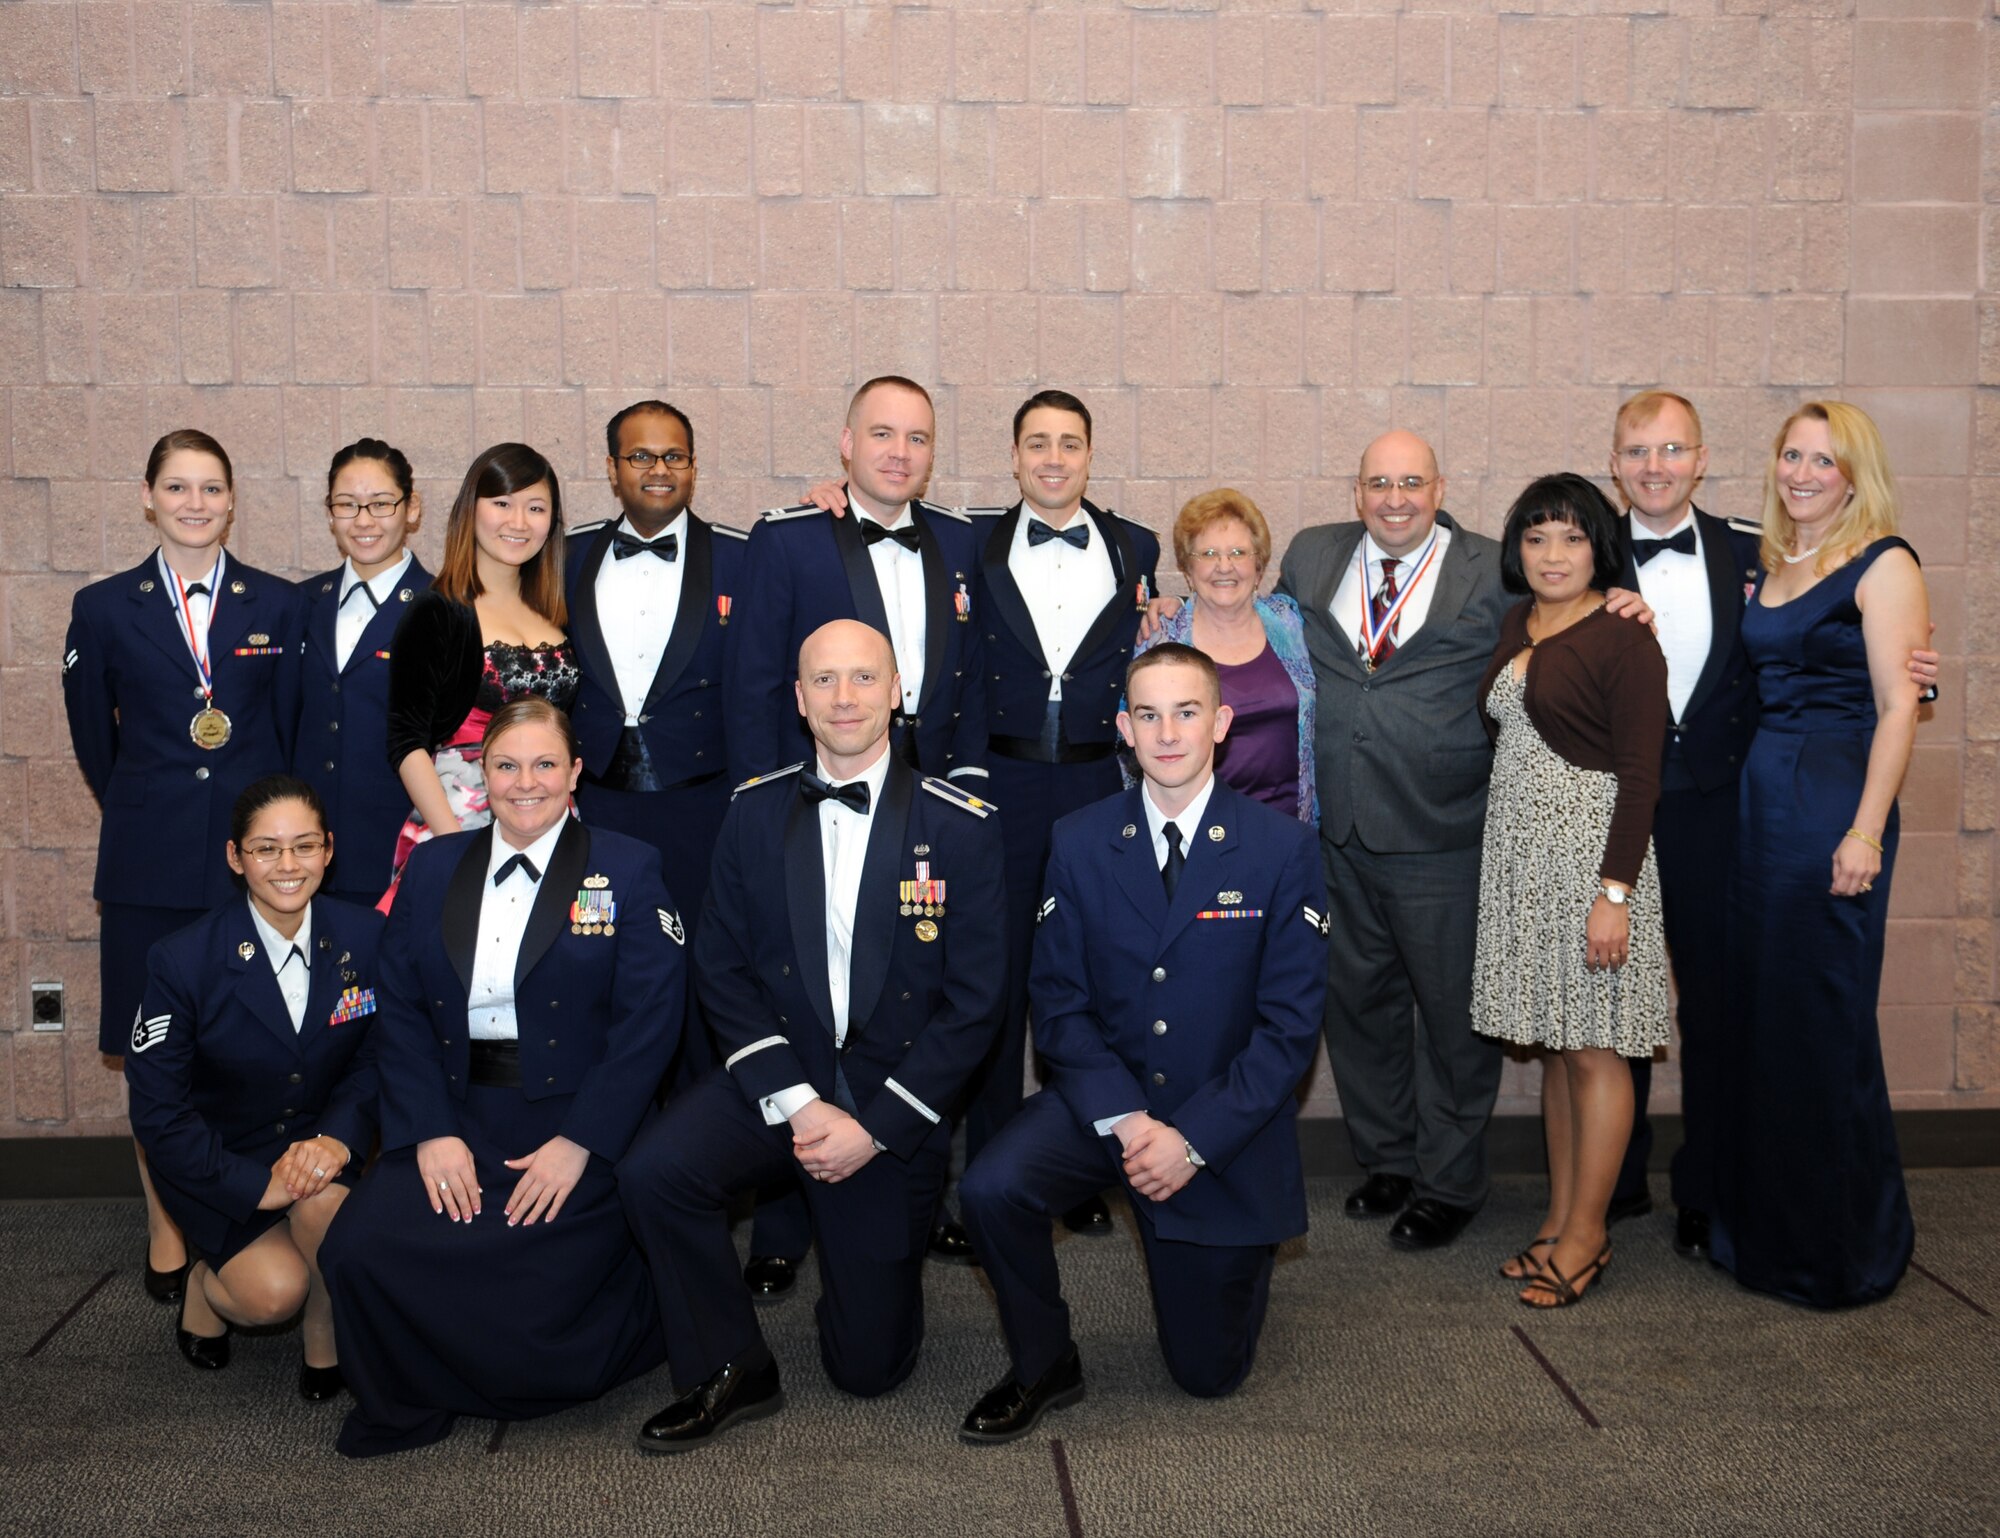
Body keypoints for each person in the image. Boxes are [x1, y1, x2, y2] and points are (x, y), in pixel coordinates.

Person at [618, 620, 1006, 1454]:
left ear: (897, 692)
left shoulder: (962, 827)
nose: (844, 698)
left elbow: (975, 1006)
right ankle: (729, 1361)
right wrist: (798, 1105)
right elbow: (719, 968)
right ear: (798, 699)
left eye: (863, 678)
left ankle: (855, 1255)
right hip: (784, 1075)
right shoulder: (754, 813)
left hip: (888, 1100)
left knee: (868, 1370)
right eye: (824, 681)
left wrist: (872, 1130)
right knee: (655, 1171)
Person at [957, 643, 1328, 1441]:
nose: (1168, 733)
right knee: (991, 1188)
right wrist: (1129, 1123)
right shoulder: (1080, 839)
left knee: (1206, 1376)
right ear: (1123, 728)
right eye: (1149, 715)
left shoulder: (1281, 850)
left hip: (1217, 1123)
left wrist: (1191, 1139)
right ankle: (1043, 1359)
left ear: (1221, 724)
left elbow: (1289, 1030)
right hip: (1110, 1103)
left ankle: (1237, 1256)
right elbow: (1056, 1003)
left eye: (1187, 712)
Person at [317, 698, 685, 1456]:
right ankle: (412, 1396)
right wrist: (427, 1132)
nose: (527, 783)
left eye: (546, 764)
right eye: (507, 765)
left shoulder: (629, 865)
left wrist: (581, 1142)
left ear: (576, 772)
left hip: (571, 1115)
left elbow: (649, 1024)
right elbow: (404, 1012)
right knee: (357, 1247)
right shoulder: (431, 866)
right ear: (481, 775)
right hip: (457, 1111)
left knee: (533, 1269)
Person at [725, 376, 991, 1283]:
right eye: (881, 433)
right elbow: (758, 678)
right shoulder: (789, 537)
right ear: (845, 443)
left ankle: (920, 1194)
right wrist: (769, 803)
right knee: (803, 986)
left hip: (925, 795)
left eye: (917, 437)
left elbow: (973, 681)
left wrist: (971, 787)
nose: (899, 452)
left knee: (910, 992)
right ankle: (782, 1229)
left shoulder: (960, 539)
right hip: (818, 781)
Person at [63, 428, 305, 1304]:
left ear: (232, 500)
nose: (195, 504)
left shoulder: (277, 606)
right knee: (150, 1045)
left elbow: (288, 737)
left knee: (247, 1045)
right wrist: (155, 802)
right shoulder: (102, 607)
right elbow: (98, 742)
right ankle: (167, 1229)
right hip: (148, 862)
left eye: (210, 489)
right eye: (177, 488)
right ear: (147, 496)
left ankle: (245, 1216)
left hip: (251, 869)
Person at [1271, 431, 1518, 1251]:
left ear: (1440, 486)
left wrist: (1624, 602)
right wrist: (1177, 613)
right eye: (1379, 481)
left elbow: (1563, 607)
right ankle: (1388, 1160)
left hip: (1442, 828)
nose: (1395, 497)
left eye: (1412, 481)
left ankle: (1450, 1182)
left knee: (1452, 1018)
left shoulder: (1490, 565)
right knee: (1360, 1005)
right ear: (1357, 491)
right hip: (1335, 827)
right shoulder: (1312, 556)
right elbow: (1261, 632)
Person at [1712, 402, 1929, 1309]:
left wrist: (1866, 831)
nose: (1803, 472)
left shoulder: (1886, 561)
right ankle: (1766, 1234)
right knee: (1769, 1023)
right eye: (1792, 455)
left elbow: (1898, 706)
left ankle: (1841, 1250)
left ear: (1855, 474)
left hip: (1833, 806)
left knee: (1824, 1022)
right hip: (1764, 804)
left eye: (1824, 460)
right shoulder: (1773, 559)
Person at [1471, 475, 1672, 1308]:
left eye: (1573, 538)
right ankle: (1557, 1220)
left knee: (1595, 1048)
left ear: (1600, 548)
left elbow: (1641, 774)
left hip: (1594, 860)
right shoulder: (1520, 620)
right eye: (1537, 538)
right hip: (1524, 856)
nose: (1553, 555)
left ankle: (1590, 1237)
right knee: (1557, 1046)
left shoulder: (1626, 637)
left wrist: (1614, 893)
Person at [124, 776, 381, 1397]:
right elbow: (160, 1115)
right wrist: (251, 1184)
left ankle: (323, 1337)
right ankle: (204, 1292)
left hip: (317, 1147)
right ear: (236, 858)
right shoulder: (182, 961)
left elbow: (377, 1062)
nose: (287, 866)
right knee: (271, 1295)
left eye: (304, 846)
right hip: (220, 1159)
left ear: (329, 850)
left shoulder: (366, 937)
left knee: (327, 1206)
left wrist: (338, 1142)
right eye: (266, 849)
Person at [565, 400, 747, 1087]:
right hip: (596, 810)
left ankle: (701, 1159)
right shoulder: (565, 556)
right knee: (601, 973)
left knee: (708, 979)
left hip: (702, 809)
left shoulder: (741, 557)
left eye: (674, 456)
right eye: (640, 456)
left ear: (694, 467)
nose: (658, 469)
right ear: (612, 470)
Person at [380, 443, 577, 903]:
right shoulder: (438, 611)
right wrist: (454, 845)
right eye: (502, 504)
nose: (518, 522)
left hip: (549, 815)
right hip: (461, 817)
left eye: (536, 508)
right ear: (472, 509)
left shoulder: (555, 613)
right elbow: (406, 742)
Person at [295, 438, 432, 905]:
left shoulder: (445, 608)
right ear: (330, 513)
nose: (364, 520)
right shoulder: (301, 604)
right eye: (348, 505)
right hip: (305, 860)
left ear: (412, 509)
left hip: (401, 851)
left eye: (381, 503)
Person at [1133, 488, 1316, 822]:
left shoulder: (1289, 622)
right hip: (1196, 829)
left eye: (1237, 552)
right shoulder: (1163, 636)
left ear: (1258, 566)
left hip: (1290, 826)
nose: (1224, 566)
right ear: (1188, 570)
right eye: (1208, 553)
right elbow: (1135, 740)